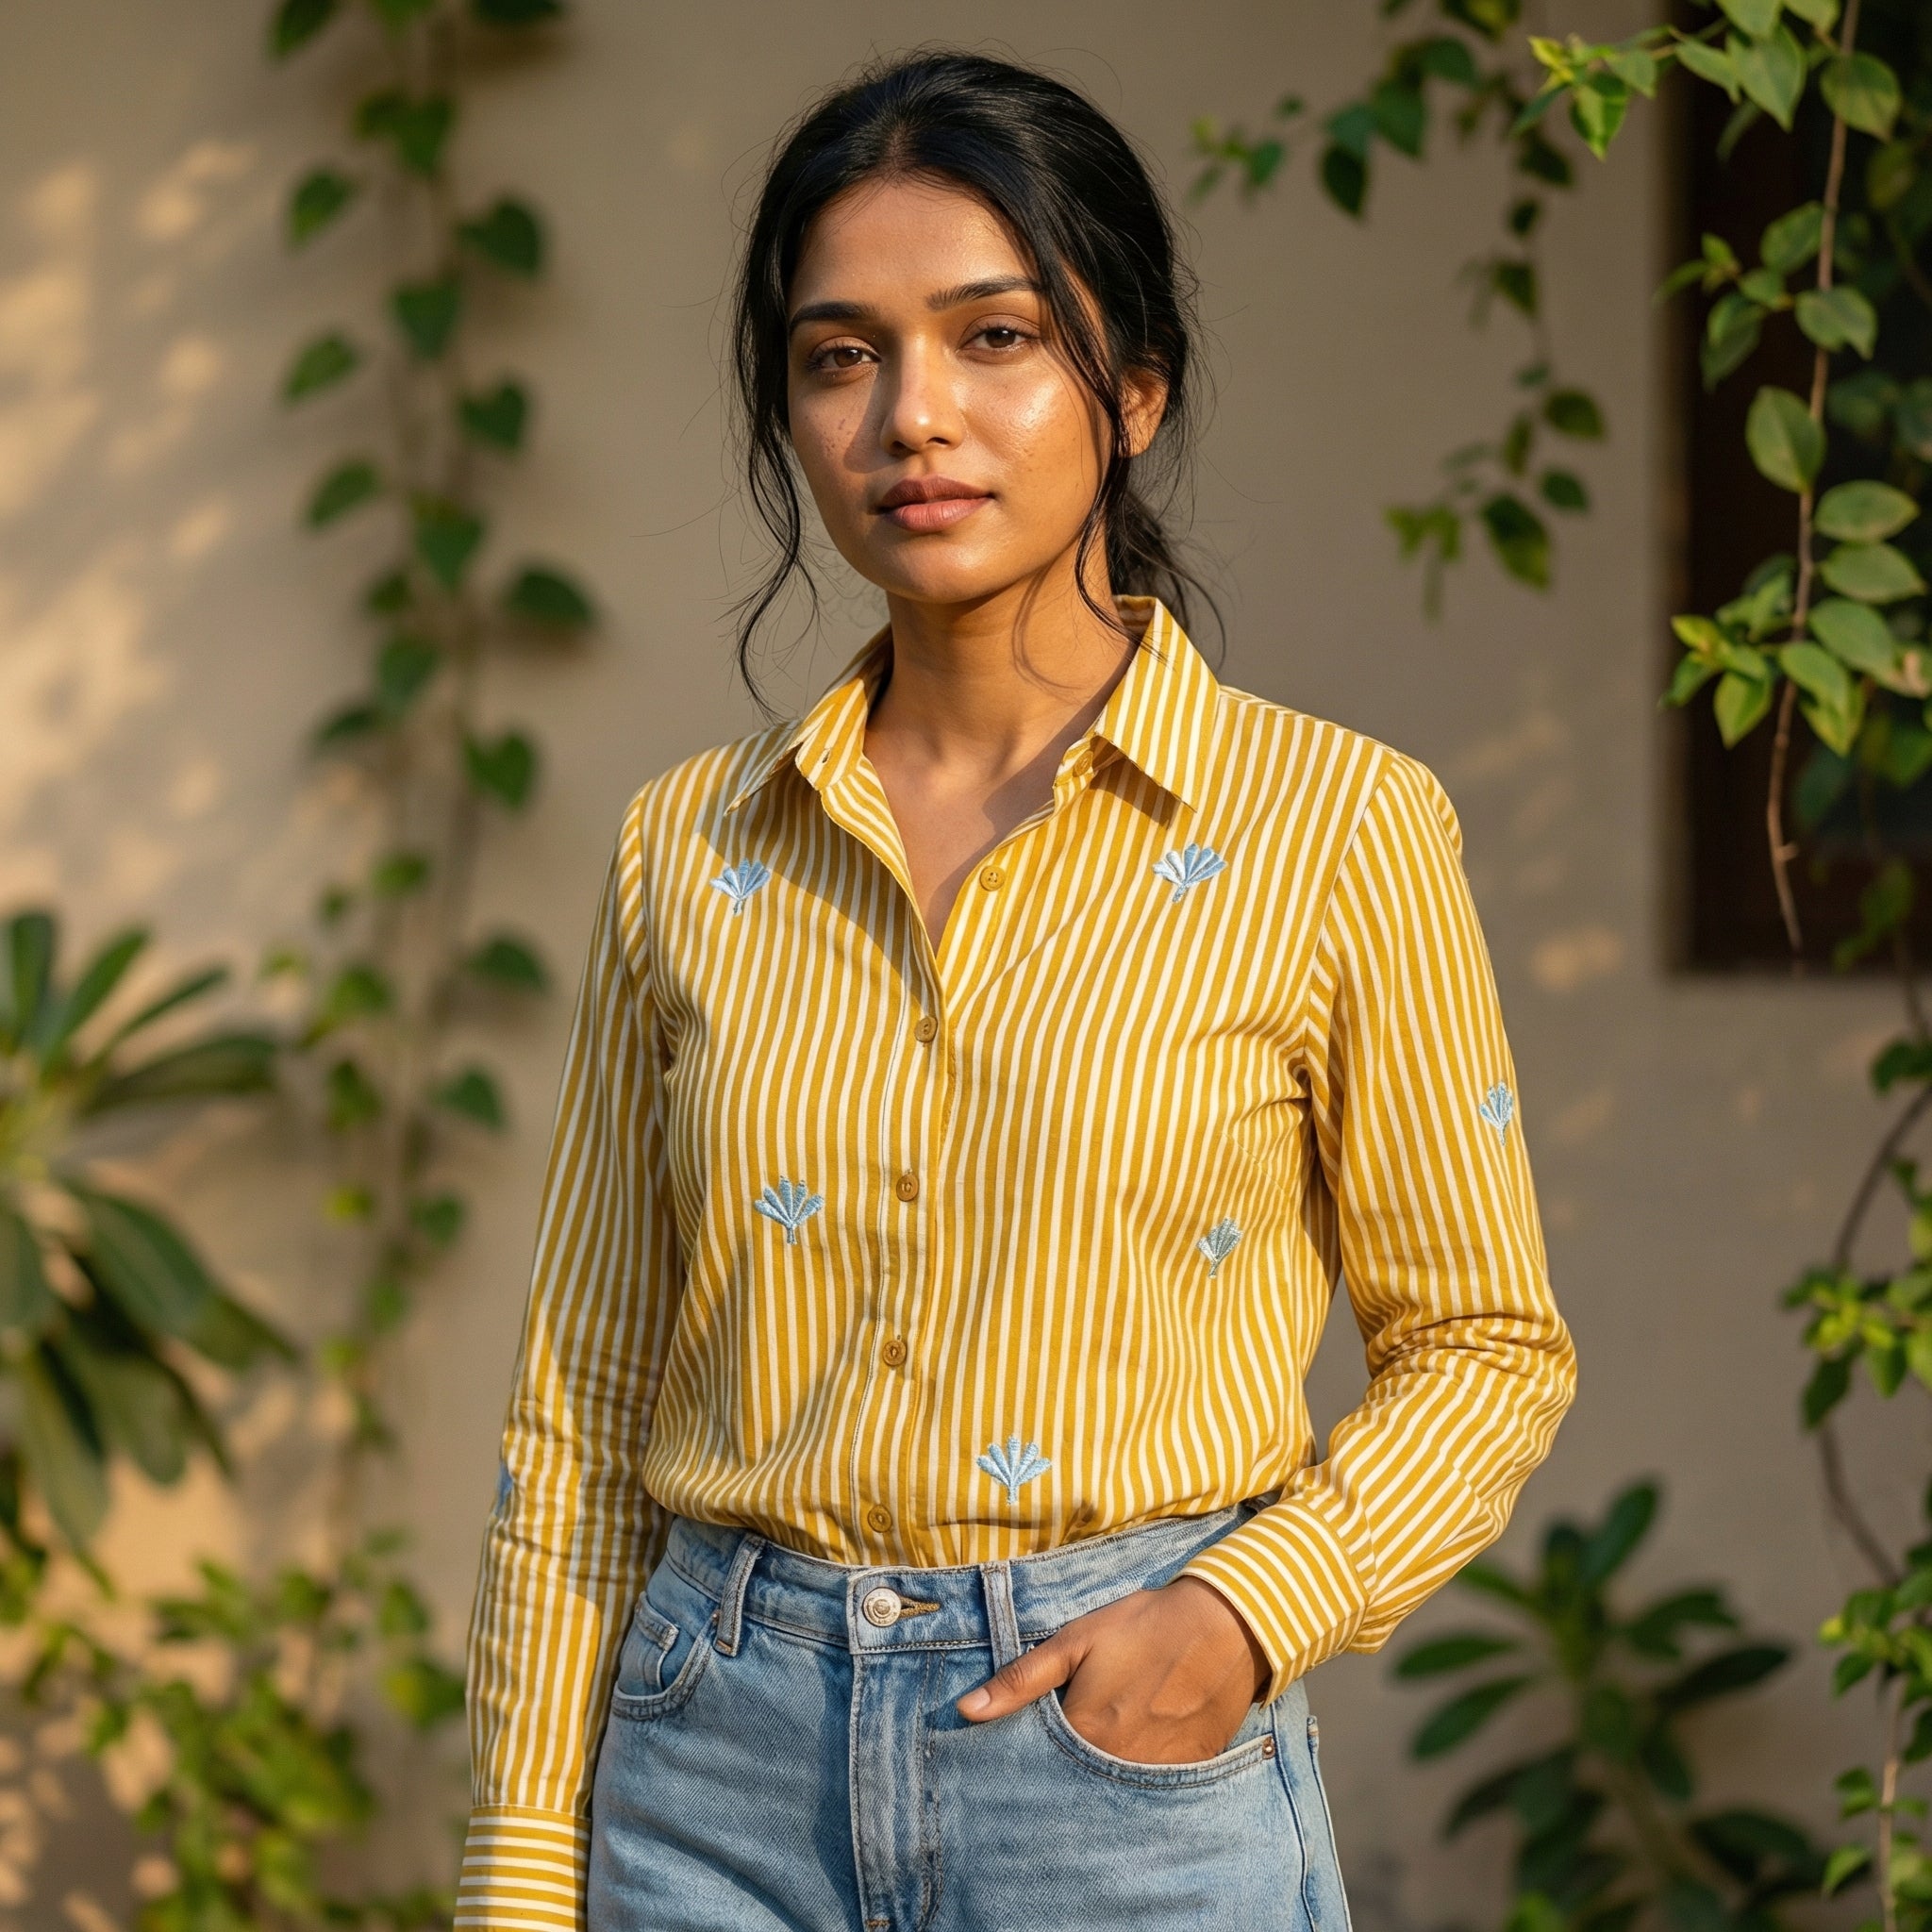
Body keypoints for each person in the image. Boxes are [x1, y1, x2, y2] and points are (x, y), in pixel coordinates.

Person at [457, 47, 1575, 1932]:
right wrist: (512, 1871)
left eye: (993, 338)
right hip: (705, 1761)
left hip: (1116, 1769)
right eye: (838, 354)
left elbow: (1482, 1343)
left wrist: (1237, 1616)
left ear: (1130, 390)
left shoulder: (1339, 830)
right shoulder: (687, 852)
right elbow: (583, 1401)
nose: (913, 414)